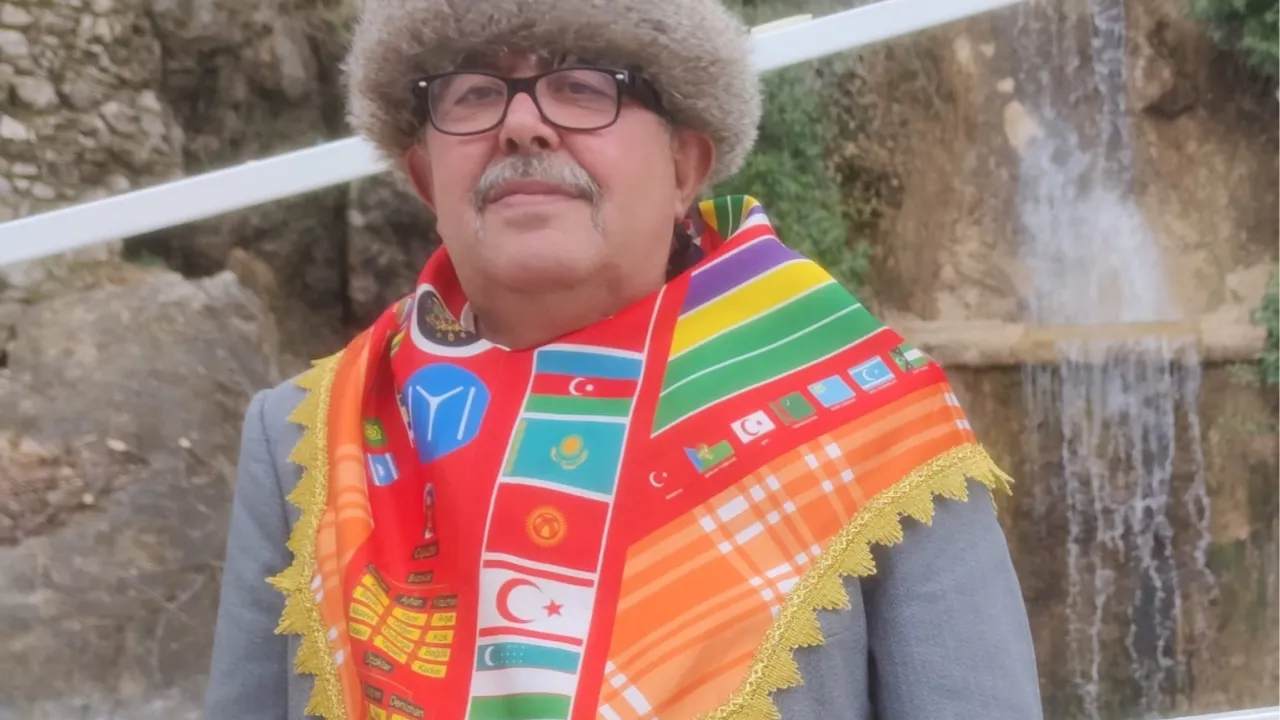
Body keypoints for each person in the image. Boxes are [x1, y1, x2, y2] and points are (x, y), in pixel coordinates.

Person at [204, 0, 1044, 717]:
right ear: (426, 177)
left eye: (582, 86)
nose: (521, 124)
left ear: (685, 167)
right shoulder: (310, 439)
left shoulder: (864, 416)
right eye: (473, 92)